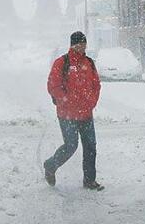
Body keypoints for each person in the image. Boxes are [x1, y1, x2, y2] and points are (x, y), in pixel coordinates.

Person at [43, 31, 103, 191]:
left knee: (90, 147)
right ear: (73, 44)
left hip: (86, 113)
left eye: (84, 44)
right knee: (71, 146)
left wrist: (91, 102)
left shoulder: (89, 63)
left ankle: (89, 180)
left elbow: (96, 85)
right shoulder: (62, 62)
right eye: (79, 44)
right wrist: (66, 102)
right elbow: (53, 86)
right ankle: (50, 165)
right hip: (67, 114)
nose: (82, 47)